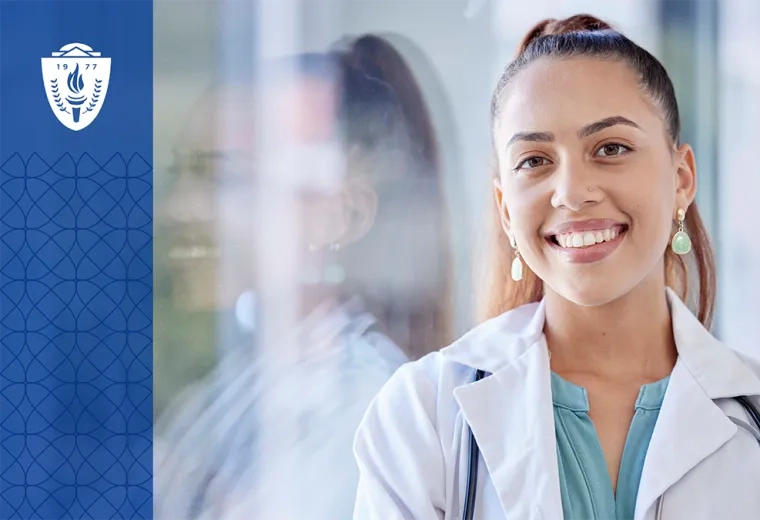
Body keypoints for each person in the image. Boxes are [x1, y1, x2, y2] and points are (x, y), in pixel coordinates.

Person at [352, 14, 760, 520]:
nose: (570, 193)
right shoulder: (422, 416)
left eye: (610, 148)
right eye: (535, 160)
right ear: (505, 208)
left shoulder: (751, 413)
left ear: (681, 179)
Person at [154, 33, 453, 519]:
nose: (177, 209)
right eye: (183, 174)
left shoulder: (364, 416)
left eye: (218, 173)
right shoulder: (243, 381)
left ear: (340, 215)